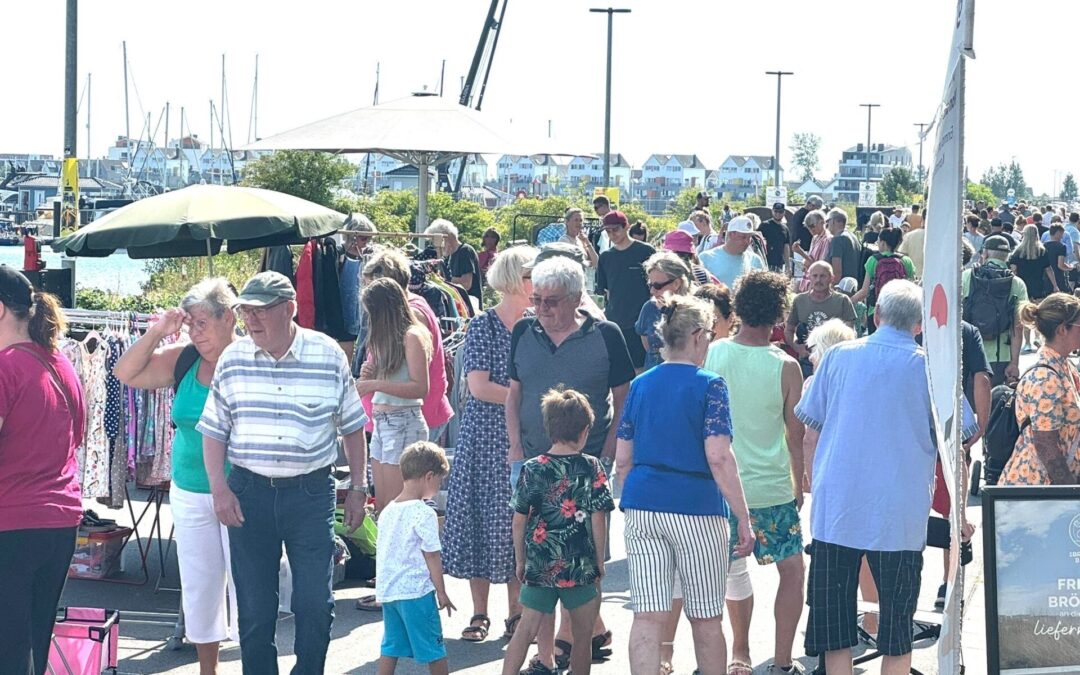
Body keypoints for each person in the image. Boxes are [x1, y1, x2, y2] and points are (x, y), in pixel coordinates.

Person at [796, 280, 978, 675]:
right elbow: (960, 438)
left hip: (837, 508)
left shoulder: (837, 357)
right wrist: (959, 512)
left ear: (875, 315)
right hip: (899, 515)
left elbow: (811, 425)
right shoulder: (931, 369)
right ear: (919, 325)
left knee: (834, 631)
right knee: (898, 629)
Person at [198, 271, 369, 675]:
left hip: (310, 494)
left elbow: (352, 426)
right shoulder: (233, 358)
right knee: (255, 608)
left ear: (290, 309)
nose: (251, 320)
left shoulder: (328, 355)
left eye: (261, 311)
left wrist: (360, 487)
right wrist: (219, 489)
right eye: (246, 311)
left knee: (315, 603)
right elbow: (213, 431)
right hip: (247, 492)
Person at [506, 256, 634, 673]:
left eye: (552, 301)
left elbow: (624, 396)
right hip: (531, 464)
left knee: (578, 563)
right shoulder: (524, 330)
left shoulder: (607, 335)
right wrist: (513, 448)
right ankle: (545, 655)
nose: (541, 309)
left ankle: (571, 638)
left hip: (585, 469)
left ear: (578, 298)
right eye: (537, 299)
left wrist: (612, 448)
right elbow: (514, 393)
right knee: (538, 566)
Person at [617, 293, 753, 675]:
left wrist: (632, 499)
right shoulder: (711, 385)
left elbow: (623, 455)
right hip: (695, 505)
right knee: (706, 616)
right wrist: (742, 516)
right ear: (696, 335)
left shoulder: (641, 385)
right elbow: (719, 456)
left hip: (643, 504)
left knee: (647, 615)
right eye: (709, 334)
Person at [114, 278, 240, 675]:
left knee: (248, 585)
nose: (195, 332)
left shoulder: (250, 358)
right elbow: (126, 372)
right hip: (188, 489)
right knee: (201, 586)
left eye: (203, 323)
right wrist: (158, 330)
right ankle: (209, 670)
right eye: (191, 324)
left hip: (241, 491)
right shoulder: (185, 359)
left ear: (229, 317)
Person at [703, 270, 806, 675]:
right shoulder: (786, 366)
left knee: (731, 570)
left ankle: (740, 653)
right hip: (771, 486)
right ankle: (782, 659)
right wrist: (799, 483)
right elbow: (793, 434)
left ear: (739, 308)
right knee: (792, 571)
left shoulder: (712, 354)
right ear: (779, 314)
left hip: (721, 485)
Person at [442, 246, 536, 644]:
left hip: (524, 435)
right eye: (534, 274)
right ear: (517, 279)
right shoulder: (482, 325)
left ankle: (516, 612)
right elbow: (478, 387)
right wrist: (527, 396)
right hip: (485, 437)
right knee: (483, 521)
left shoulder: (538, 324)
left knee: (518, 524)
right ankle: (480, 612)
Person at [0, 266, 85, 675]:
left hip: (12, 522)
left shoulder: (5, 367)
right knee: (32, 642)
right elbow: (76, 438)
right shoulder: (61, 364)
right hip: (58, 523)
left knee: (10, 652)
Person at [503, 389, 615, 675]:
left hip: (541, 563)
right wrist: (600, 561)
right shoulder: (591, 467)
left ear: (548, 427)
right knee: (582, 635)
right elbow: (598, 517)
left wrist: (520, 559)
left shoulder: (532, 468)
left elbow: (519, 519)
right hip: (580, 563)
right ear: (585, 430)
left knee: (525, 629)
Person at [376, 442, 455, 675]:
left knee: (390, 645)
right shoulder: (424, 513)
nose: (439, 487)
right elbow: (432, 555)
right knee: (434, 647)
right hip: (416, 592)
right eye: (439, 481)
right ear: (429, 476)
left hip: (390, 591)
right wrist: (441, 591)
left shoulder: (388, 511)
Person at [360, 249, 454, 444]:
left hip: (409, 417)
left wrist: (373, 383)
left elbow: (416, 379)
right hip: (391, 416)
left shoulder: (412, 316)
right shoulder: (410, 306)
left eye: (372, 288)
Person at [358, 278, 433, 512]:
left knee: (396, 506)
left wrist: (374, 383)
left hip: (403, 420)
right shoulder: (385, 340)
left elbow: (420, 387)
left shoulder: (412, 335)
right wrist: (369, 373)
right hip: (383, 422)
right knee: (381, 505)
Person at [1001, 293, 1080, 486]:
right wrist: (1069, 494)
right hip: (1038, 491)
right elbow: (1046, 445)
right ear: (1062, 330)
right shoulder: (1045, 377)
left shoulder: (1064, 366)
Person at [595, 210, 656, 370]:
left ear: (626, 226)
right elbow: (604, 290)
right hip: (616, 320)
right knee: (618, 369)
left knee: (641, 369)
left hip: (642, 320)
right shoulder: (606, 257)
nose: (612, 234)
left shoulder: (646, 251)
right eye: (608, 231)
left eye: (615, 229)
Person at [963, 235, 1027, 386]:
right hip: (1001, 355)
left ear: (985, 254)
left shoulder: (967, 277)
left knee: (969, 406)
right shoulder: (1016, 283)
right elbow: (1018, 326)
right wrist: (1014, 362)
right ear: (1007, 257)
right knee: (996, 404)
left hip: (968, 352)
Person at [786, 261, 856, 377]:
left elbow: (850, 334)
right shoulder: (799, 300)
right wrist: (797, 347)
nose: (818, 280)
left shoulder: (842, 301)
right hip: (807, 361)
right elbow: (789, 330)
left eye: (823, 276)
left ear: (832, 278)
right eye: (815, 276)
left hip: (835, 362)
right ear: (809, 277)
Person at [636, 252, 695, 371]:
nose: (652, 291)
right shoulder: (649, 308)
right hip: (654, 375)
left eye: (657, 286)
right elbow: (647, 344)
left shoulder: (694, 311)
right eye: (650, 285)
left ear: (677, 283)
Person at [851, 228, 915, 334]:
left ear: (883, 243)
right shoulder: (906, 261)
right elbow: (911, 289)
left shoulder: (873, 260)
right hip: (901, 312)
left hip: (877, 312)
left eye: (878, 241)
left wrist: (848, 301)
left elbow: (864, 292)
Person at [1009, 225, 1055, 353]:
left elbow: (1013, 270)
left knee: (1024, 314)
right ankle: (1039, 338)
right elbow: (1048, 269)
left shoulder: (1017, 252)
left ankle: (1027, 342)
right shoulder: (1042, 251)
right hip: (1038, 286)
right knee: (1038, 313)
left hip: (1022, 286)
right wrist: (1055, 285)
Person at [699, 216, 766, 290]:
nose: (747, 242)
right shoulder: (706, 258)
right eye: (743, 237)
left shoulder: (755, 260)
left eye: (749, 237)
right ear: (731, 234)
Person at [425, 218, 482, 303]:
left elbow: (466, 284)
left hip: (469, 306)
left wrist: (442, 281)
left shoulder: (465, 251)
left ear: (445, 237)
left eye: (436, 240)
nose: (435, 244)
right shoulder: (449, 256)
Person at [794, 210, 832, 292]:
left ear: (822, 222)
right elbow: (810, 259)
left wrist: (800, 252)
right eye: (808, 227)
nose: (811, 229)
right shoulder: (815, 238)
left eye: (812, 226)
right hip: (807, 279)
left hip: (817, 282)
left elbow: (820, 266)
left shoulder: (827, 239)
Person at [826, 208, 862, 283]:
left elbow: (837, 272)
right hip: (854, 283)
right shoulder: (853, 236)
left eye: (827, 221)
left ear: (833, 221)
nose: (827, 225)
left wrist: (832, 289)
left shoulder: (837, 239)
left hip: (842, 285)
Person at [760, 203, 791, 273]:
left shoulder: (785, 228)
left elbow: (786, 247)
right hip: (766, 262)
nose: (778, 214)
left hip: (779, 263)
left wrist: (788, 265)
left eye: (780, 212)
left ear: (784, 212)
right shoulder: (764, 225)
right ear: (772, 211)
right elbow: (758, 243)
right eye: (776, 211)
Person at [1044, 224, 1073, 294]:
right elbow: (1060, 265)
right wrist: (1070, 267)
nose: (1062, 236)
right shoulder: (1061, 246)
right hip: (1058, 278)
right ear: (1058, 233)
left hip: (1045, 278)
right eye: (1062, 234)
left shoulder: (1043, 246)